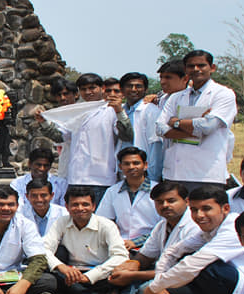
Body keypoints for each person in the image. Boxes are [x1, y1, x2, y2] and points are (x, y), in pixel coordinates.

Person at [36, 73, 133, 204]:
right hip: (76, 177)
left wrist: (120, 112)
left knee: (99, 220)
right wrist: (44, 122)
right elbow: (60, 136)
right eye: (83, 89)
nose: (88, 92)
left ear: (102, 88)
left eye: (92, 88)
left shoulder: (111, 111)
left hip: (101, 178)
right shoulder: (77, 112)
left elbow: (127, 135)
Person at [144, 186, 244, 294]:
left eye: (206, 209)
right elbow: (172, 251)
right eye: (194, 210)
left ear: (225, 208)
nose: (199, 215)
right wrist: (158, 284)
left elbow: (192, 264)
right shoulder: (209, 229)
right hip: (220, 283)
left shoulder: (233, 228)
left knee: (203, 265)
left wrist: (154, 288)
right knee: (184, 257)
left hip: (243, 285)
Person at [155, 50, 237, 192]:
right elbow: (160, 129)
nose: (196, 69)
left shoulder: (223, 94)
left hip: (207, 174)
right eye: (191, 66)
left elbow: (207, 127)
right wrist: (194, 129)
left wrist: (176, 122)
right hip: (175, 173)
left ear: (212, 68)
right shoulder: (176, 97)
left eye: (201, 65)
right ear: (186, 70)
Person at [107, 181, 200, 294]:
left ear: (186, 201)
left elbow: (177, 271)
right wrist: (132, 264)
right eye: (160, 202)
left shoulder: (195, 227)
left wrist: (133, 275)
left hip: (188, 281)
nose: (165, 205)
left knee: (147, 289)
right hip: (161, 275)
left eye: (171, 201)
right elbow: (146, 255)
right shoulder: (162, 225)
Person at [42, 186, 129, 294]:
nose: (80, 208)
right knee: (47, 279)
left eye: (85, 204)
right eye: (75, 205)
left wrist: (90, 276)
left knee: (120, 277)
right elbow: (44, 249)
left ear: (93, 206)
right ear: (67, 207)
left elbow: (121, 256)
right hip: (71, 274)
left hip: (99, 274)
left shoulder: (106, 225)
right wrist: (61, 267)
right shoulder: (61, 222)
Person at [97, 147, 161, 250]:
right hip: (121, 244)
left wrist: (135, 242)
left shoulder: (158, 191)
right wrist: (116, 240)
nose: (131, 167)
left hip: (151, 244)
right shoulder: (112, 191)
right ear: (120, 167)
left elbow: (163, 227)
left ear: (145, 165)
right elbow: (103, 221)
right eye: (126, 164)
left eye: (136, 163)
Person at [119, 72, 164, 182]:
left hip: (144, 173)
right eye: (129, 86)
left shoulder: (151, 111)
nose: (134, 89)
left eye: (138, 86)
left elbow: (155, 145)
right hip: (123, 170)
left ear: (146, 89)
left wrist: (153, 177)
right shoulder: (120, 110)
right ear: (122, 89)